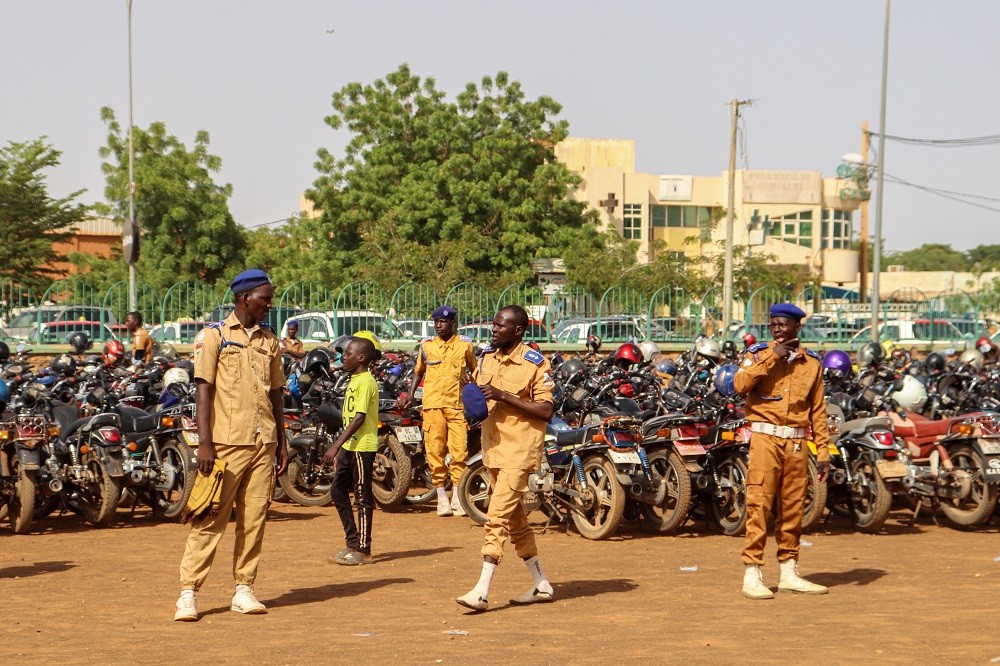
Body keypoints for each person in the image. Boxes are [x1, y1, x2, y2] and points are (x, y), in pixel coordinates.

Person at [173, 269, 289, 622]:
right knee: (210, 518)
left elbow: (276, 394)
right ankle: (188, 593)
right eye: (264, 298)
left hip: (262, 442)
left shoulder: (269, 340)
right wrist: (204, 444)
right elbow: (203, 390)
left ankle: (244, 589)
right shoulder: (214, 337)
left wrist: (282, 443)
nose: (269, 304)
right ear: (245, 298)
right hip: (225, 444)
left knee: (254, 520)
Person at [456, 305, 556, 611]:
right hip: (494, 450)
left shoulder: (534, 364)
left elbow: (546, 410)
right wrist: (469, 390)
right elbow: (478, 397)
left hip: (520, 451)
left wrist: (503, 395)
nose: (494, 329)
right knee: (517, 523)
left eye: (501, 326)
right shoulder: (487, 357)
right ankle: (541, 584)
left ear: (518, 331)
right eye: (494, 324)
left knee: (496, 517)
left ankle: (481, 591)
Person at [733, 303, 830, 600]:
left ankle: (789, 572)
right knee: (759, 504)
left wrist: (824, 452)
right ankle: (752, 573)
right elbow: (739, 385)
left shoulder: (812, 363)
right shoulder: (758, 355)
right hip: (765, 438)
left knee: (792, 507)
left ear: (797, 327)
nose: (777, 328)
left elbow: (819, 410)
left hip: (798, 443)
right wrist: (771, 359)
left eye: (783, 324)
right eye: (773, 323)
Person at [398, 305, 476, 517]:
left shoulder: (465, 347)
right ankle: (441, 496)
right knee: (435, 450)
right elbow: (418, 372)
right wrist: (410, 394)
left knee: (459, 451)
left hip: (457, 406)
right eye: (436, 322)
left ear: (452, 323)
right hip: (432, 406)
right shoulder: (427, 347)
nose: (439, 325)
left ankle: (459, 496)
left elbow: (474, 370)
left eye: (443, 322)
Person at [323, 333, 381, 566]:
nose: (343, 357)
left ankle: (364, 549)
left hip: (362, 446)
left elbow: (359, 418)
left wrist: (335, 446)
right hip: (349, 445)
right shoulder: (354, 380)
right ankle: (352, 541)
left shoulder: (366, 381)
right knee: (337, 491)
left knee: (362, 496)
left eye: (348, 354)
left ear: (361, 357)